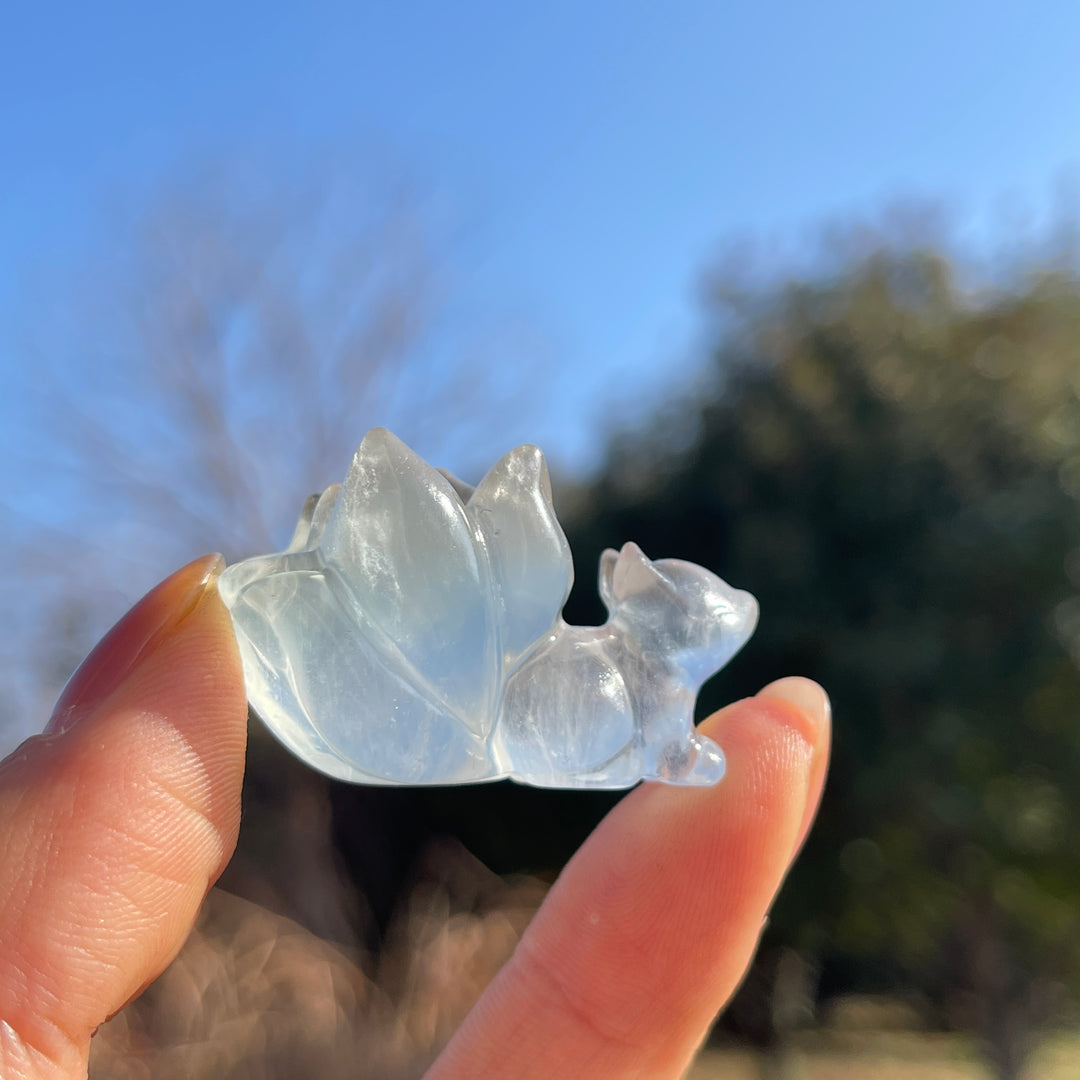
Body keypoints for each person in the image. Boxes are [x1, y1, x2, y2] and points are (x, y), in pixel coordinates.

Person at [0, 555, 830, 1080]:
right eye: (710, 609)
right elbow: (671, 750)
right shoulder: (632, 689)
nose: (731, 616)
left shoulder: (646, 692)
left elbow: (669, 749)